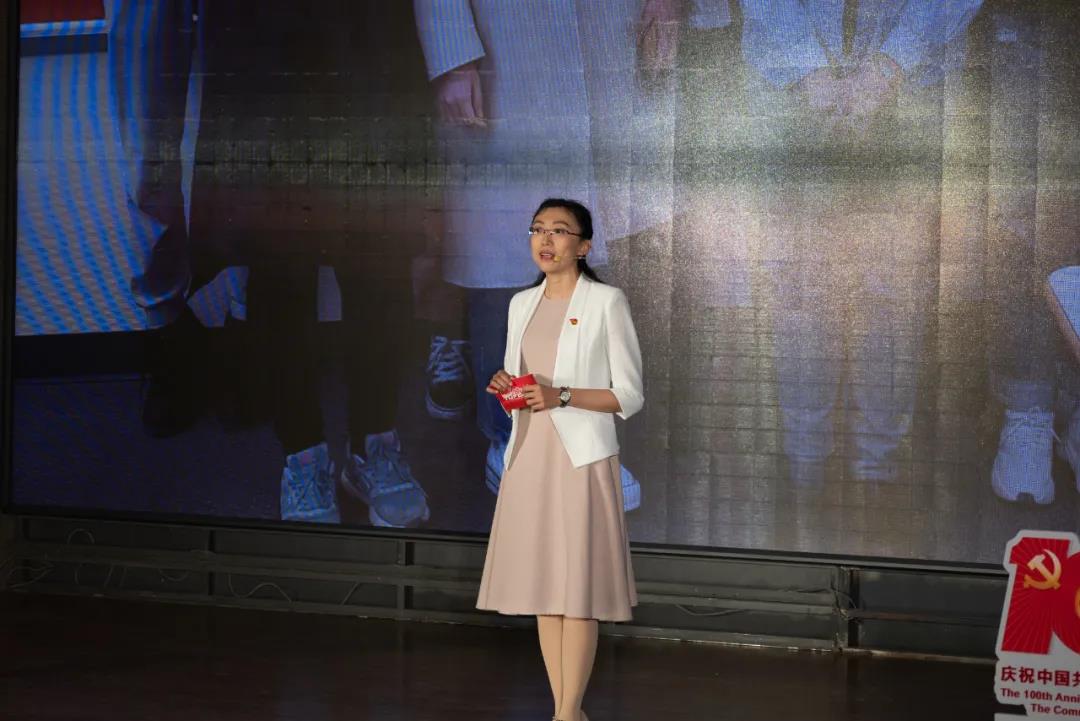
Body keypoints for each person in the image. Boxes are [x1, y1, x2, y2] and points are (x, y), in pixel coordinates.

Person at [413, 0, 676, 510]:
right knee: (504, 268)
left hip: (606, 35)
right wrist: (451, 53)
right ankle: (511, 434)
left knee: (592, 260)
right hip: (505, 40)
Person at [479, 199, 643, 721]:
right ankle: (563, 709)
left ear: (584, 245)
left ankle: (569, 712)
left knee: (578, 592)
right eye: (537, 229)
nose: (545, 240)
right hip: (529, 455)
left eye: (559, 230)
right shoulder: (520, 304)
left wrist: (561, 395)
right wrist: (506, 386)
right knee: (547, 590)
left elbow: (629, 395)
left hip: (580, 459)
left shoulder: (606, 302)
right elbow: (522, 388)